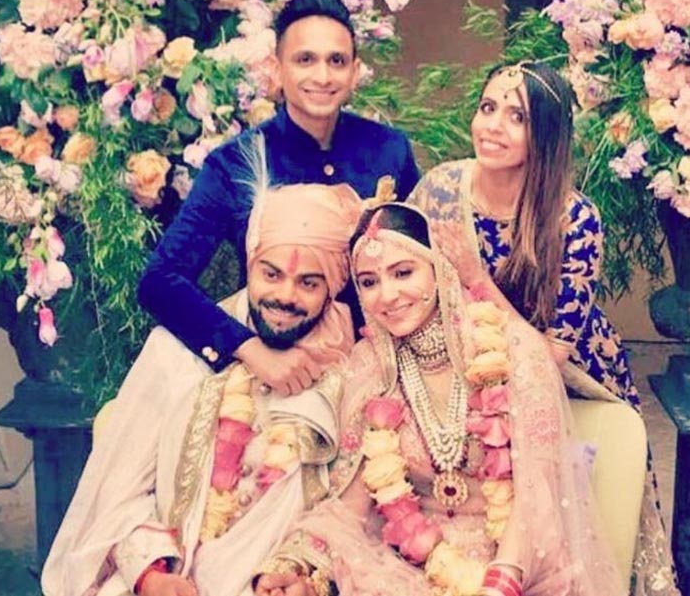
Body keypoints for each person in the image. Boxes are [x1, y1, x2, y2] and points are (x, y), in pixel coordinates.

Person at [254, 203, 626, 596]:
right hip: (407, 566)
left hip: (519, 560)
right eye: (369, 281)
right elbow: (353, 500)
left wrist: (499, 585)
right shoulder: (371, 366)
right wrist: (295, 563)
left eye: (403, 272)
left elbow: (538, 495)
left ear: (439, 269)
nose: (387, 295)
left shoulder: (514, 351)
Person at [409, 62, 679, 595]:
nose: (493, 126)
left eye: (518, 118)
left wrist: (478, 290)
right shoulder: (440, 190)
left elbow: (553, 353)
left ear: (547, 135)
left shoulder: (573, 218)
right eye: (488, 108)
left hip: (565, 371)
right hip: (462, 359)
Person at [41, 182, 363, 596]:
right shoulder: (175, 353)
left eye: (309, 283)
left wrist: (298, 574)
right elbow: (118, 493)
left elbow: (350, 511)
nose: (285, 296)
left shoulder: (351, 372)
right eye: (271, 274)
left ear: (333, 286)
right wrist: (150, 574)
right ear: (250, 264)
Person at [137, 0, 420, 395]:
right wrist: (249, 350)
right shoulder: (235, 164)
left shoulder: (388, 150)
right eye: (305, 59)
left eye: (336, 61)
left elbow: (423, 260)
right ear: (276, 67)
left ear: (354, 71)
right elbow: (160, 280)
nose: (322, 76)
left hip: (381, 372)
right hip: (275, 372)